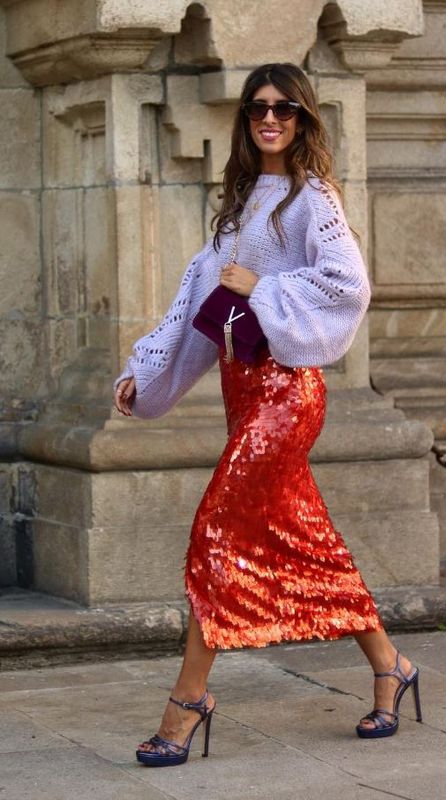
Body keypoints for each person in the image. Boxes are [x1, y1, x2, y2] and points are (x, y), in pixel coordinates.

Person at [113, 62, 422, 767]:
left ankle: (188, 701)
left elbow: (349, 284)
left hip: (286, 397)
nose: (270, 118)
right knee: (305, 539)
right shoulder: (244, 197)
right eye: (258, 108)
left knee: (217, 530)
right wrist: (148, 373)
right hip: (243, 392)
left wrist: (265, 285)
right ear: (246, 120)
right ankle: (390, 665)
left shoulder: (313, 196)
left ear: (304, 117)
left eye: (284, 107)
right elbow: (202, 298)